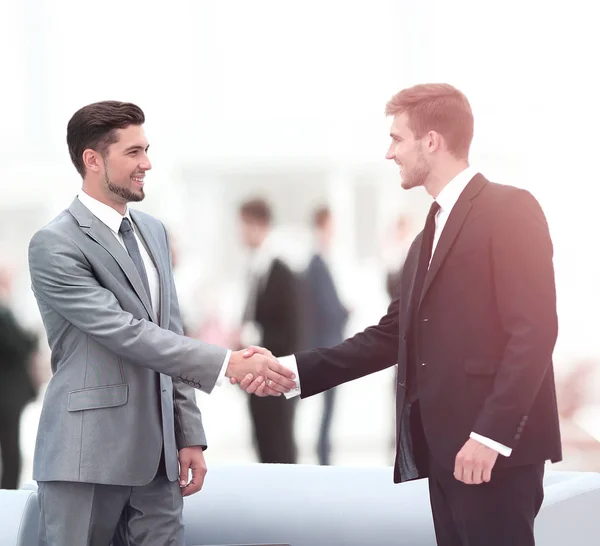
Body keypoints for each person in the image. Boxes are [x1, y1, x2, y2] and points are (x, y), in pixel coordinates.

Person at [238, 83, 562, 546]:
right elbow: (391, 336)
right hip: (446, 451)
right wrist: (290, 371)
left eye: (396, 138)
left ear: (431, 141)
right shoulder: (426, 235)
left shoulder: (509, 209)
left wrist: (490, 438)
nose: (390, 153)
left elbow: (534, 331)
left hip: (492, 453)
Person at [27, 100, 294, 546]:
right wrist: (228, 363)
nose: (146, 164)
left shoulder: (153, 232)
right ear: (92, 160)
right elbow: (126, 332)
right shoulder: (54, 245)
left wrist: (188, 433)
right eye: (133, 153)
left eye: (146, 150)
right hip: (86, 459)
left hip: (160, 463)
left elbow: (170, 333)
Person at [238, 198, 301, 463]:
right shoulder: (256, 267)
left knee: (279, 447)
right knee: (263, 445)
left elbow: (292, 331)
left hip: (276, 377)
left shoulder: (281, 271)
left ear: (257, 225)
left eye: (243, 226)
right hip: (257, 378)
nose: (240, 234)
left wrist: (255, 339)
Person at [302, 206, 349, 465]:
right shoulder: (316, 264)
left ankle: (324, 453)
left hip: (327, 342)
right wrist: (343, 312)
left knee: (329, 408)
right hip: (325, 345)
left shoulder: (324, 262)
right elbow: (325, 308)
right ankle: (323, 455)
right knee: (326, 408)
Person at [0, 266, 38, 489]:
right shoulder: (4, 312)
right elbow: (17, 345)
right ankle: (7, 497)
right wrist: (31, 337)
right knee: (11, 451)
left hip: (10, 394)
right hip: (7, 395)